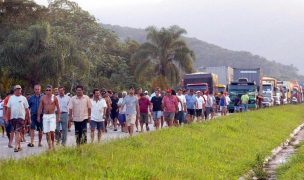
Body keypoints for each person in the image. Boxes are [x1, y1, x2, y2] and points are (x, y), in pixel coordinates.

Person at [7, 85, 30, 152]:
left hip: (21, 118)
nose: (18, 90)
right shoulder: (11, 98)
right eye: (17, 89)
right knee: (18, 132)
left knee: (17, 131)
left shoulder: (23, 98)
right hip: (13, 118)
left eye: (19, 89)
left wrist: (28, 118)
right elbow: (8, 108)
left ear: (21, 90)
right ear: (14, 90)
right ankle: (19, 146)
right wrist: (7, 117)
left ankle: (16, 147)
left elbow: (27, 109)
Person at [37, 85, 60, 150]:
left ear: (51, 90)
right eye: (47, 90)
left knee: (52, 131)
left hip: (52, 116)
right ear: (45, 91)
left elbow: (58, 107)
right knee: (47, 132)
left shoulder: (54, 97)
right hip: (45, 116)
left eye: (49, 90)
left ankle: (53, 143)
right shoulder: (43, 98)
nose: (48, 91)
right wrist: (38, 116)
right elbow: (40, 107)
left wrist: (58, 117)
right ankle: (49, 145)